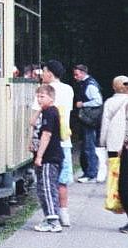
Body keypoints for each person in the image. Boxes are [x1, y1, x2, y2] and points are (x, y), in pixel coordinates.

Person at [37, 60, 74, 226]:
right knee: (62, 180)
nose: (41, 74)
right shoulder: (69, 89)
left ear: (50, 73)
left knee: (47, 181)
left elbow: (36, 120)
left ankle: (51, 217)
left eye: (43, 71)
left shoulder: (43, 92)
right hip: (65, 139)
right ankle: (64, 213)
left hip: (49, 144)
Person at [32, 84, 64, 232]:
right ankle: (50, 216)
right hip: (48, 157)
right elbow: (32, 123)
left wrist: (39, 156)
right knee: (42, 188)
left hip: (49, 157)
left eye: (42, 97)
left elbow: (47, 135)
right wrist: (39, 108)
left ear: (51, 98)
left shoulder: (51, 112)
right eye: (38, 96)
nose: (39, 99)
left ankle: (53, 220)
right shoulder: (47, 111)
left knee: (46, 188)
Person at [72, 64, 102, 182]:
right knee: (87, 145)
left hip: (89, 120)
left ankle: (91, 173)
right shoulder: (87, 83)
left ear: (83, 73)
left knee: (89, 146)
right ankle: (88, 172)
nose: (75, 77)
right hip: (87, 120)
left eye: (77, 74)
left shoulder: (89, 85)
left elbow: (98, 101)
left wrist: (83, 104)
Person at [98, 75, 128, 185]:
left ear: (114, 87)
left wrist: (102, 141)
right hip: (125, 142)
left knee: (114, 166)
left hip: (113, 141)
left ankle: (113, 190)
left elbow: (105, 123)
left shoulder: (109, 102)